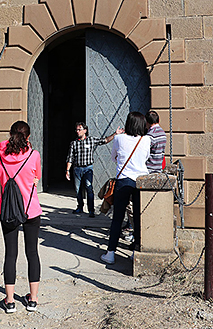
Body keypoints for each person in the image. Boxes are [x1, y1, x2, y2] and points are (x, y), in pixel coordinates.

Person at [0, 121, 41, 313]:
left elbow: (0, 177)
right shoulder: (34, 155)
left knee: (10, 254)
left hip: (8, 209)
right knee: (32, 253)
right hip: (30, 208)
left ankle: (10, 300)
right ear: (28, 137)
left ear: (10, 134)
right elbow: (36, 178)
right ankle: (33, 299)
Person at [100, 112, 151, 265]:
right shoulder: (147, 139)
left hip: (123, 180)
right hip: (140, 181)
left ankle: (110, 253)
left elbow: (114, 157)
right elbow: (146, 157)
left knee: (117, 218)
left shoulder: (119, 138)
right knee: (138, 218)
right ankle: (136, 252)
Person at [65, 122, 123, 217]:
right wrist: (67, 170)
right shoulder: (74, 143)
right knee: (77, 189)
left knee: (89, 188)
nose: (77, 131)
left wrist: (115, 134)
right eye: (76, 129)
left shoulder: (91, 140)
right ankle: (80, 207)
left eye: (80, 129)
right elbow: (70, 157)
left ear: (85, 130)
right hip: (77, 169)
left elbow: (104, 141)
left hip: (88, 168)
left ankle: (91, 210)